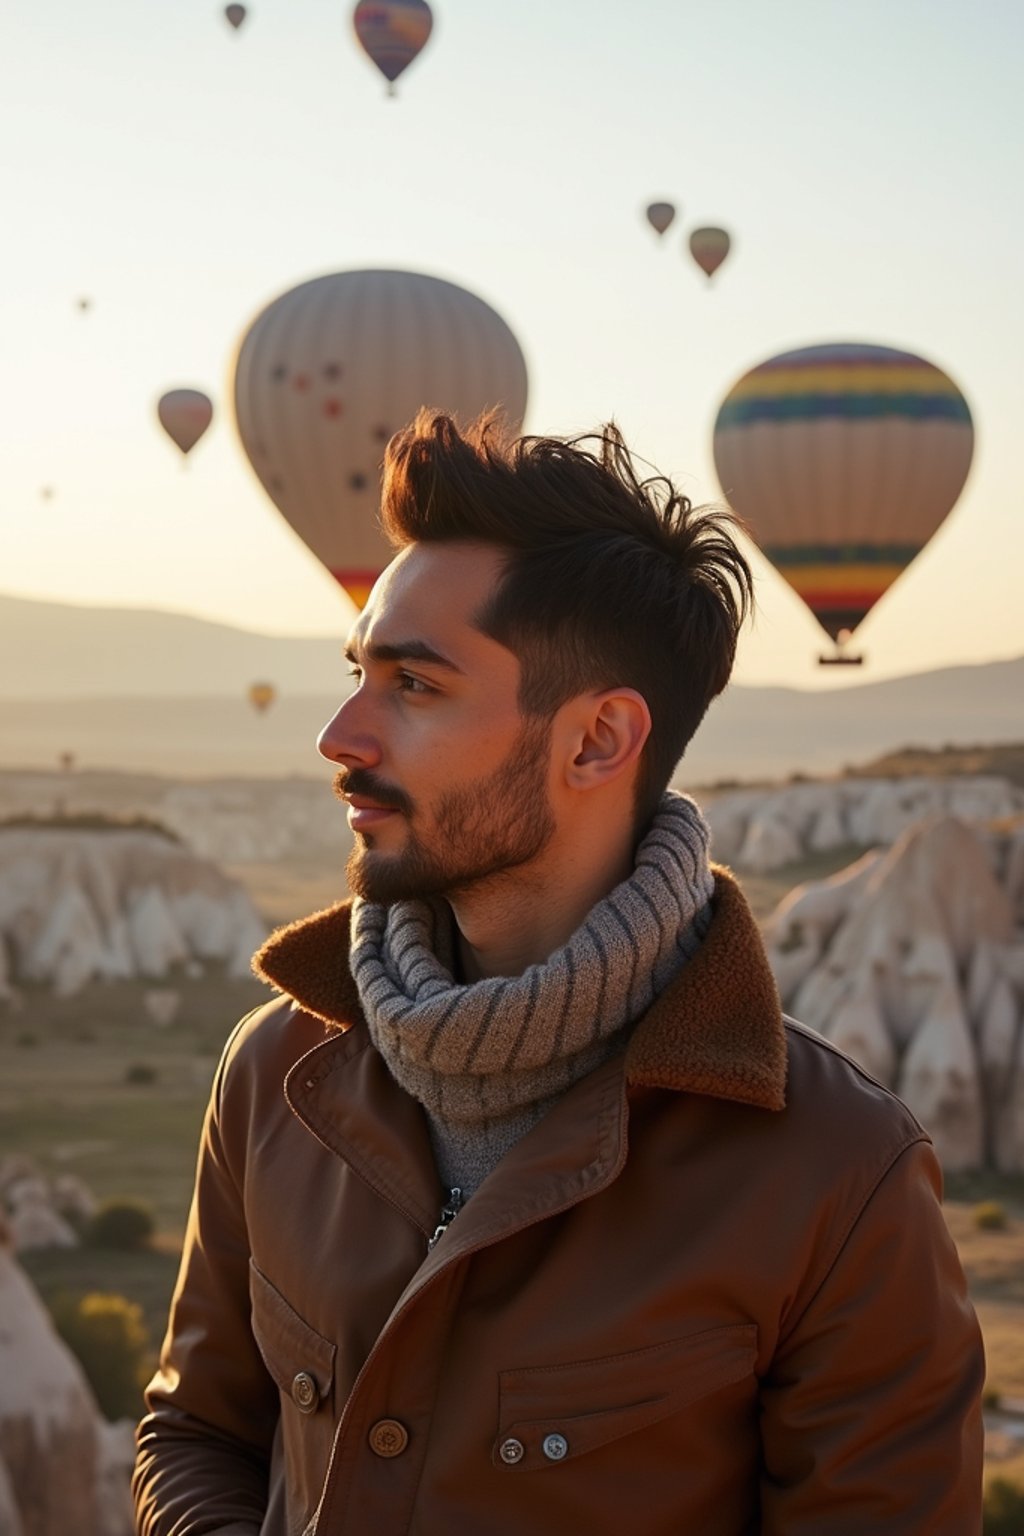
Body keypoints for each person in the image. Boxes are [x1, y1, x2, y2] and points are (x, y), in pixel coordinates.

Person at [133, 412, 984, 1535]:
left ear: (594, 742)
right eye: (356, 675)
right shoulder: (276, 1070)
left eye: (415, 687)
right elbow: (197, 1433)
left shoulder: (835, 1175)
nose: (341, 734)